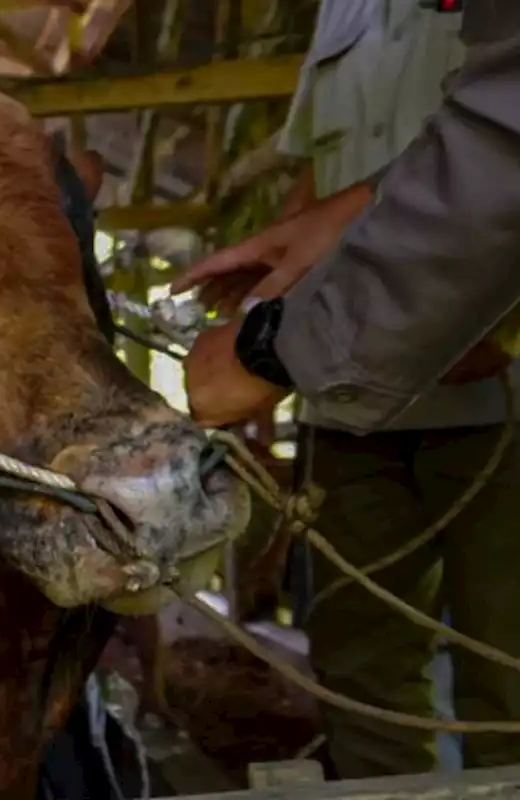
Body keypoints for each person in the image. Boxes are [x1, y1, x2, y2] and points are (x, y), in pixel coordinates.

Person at [173, 0, 520, 779]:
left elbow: (502, 151)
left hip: (496, 396)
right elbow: (323, 168)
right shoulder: (342, 15)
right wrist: (281, 283)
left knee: (505, 658)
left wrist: (278, 352)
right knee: (360, 664)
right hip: (345, 402)